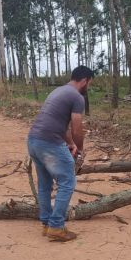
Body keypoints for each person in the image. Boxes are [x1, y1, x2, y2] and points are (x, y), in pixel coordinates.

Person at [27, 66, 93, 242]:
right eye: (90, 84)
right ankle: (56, 226)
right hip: (49, 143)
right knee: (67, 181)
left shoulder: (58, 91)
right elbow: (76, 127)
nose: (89, 87)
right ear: (85, 80)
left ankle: (46, 223)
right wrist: (79, 149)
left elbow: (58, 123)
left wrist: (70, 144)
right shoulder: (77, 97)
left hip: (34, 141)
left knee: (44, 184)